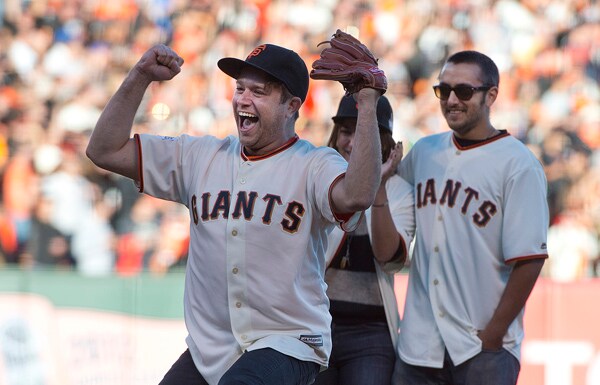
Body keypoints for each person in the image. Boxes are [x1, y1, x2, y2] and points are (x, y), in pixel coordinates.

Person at [86, 43, 384, 385]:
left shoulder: (314, 164)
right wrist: (139, 76)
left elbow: (358, 193)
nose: (243, 99)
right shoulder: (199, 156)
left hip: (288, 341)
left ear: (291, 106)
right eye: (240, 88)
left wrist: (367, 102)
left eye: (259, 91)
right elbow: (103, 150)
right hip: (210, 349)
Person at [395, 50, 549, 385]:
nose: (451, 100)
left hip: (481, 347)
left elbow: (530, 258)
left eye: (464, 91)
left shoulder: (518, 164)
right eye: (443, 90)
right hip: (419, 344)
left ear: (491, 94)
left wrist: (494, 333)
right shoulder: (424, 151)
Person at [313, 94, 415, 385]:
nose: (353, 142)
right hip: (315, 325)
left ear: (384, 141)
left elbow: (389, 258)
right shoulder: (318, 179)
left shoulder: (399, 190)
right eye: (346, 131)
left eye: (364, 132)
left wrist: (377, 185)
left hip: (371, 332)